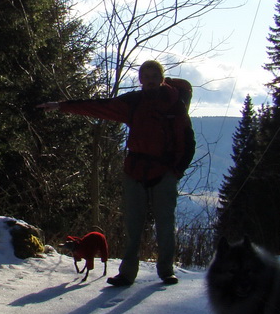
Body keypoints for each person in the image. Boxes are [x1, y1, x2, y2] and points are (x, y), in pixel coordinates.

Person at [37, 60, 195, 286]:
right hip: (135, 171)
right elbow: (100, 106)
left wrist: (175, 171)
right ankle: (127, 274)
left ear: (161, 78)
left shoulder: (174, 104)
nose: (149, 80)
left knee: (165, 225)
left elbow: (187, 141)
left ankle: (166, 271)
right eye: (145, 76)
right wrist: (61, 105)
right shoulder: (134, 102)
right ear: (140, 80)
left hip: (164, 172)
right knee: (133, 225)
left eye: (154, 76)